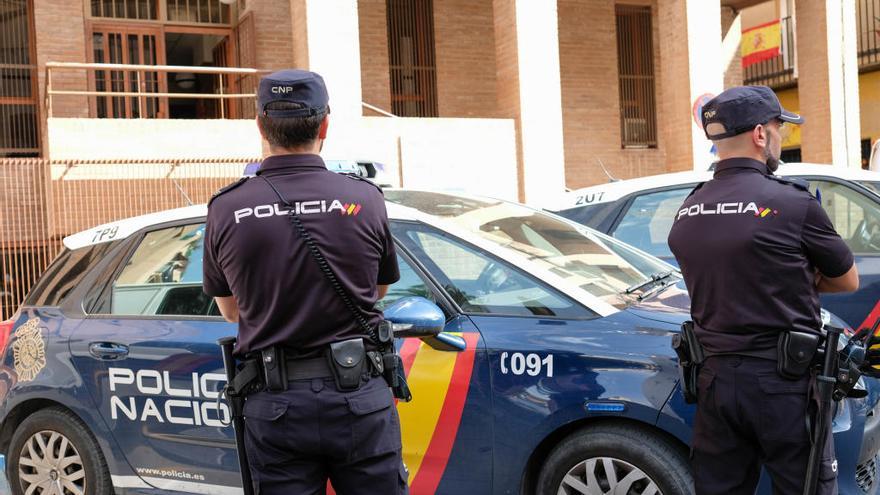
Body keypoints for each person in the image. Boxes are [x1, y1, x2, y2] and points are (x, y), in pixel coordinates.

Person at [202, 69, 407, 494]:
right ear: (325, 125)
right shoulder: (365, 199)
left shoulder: (227, 208)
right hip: (359, 399)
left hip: (275, 405)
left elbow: (230, 311)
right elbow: (378, 290)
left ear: (260, 125)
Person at [667, 85, 859, 494]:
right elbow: (848, 279)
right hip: (783, 385)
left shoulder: (688, 208)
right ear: (759, 134)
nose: (781, 137)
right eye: (779, 128)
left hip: (715, 383)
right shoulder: (793, 203)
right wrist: (795, 276)